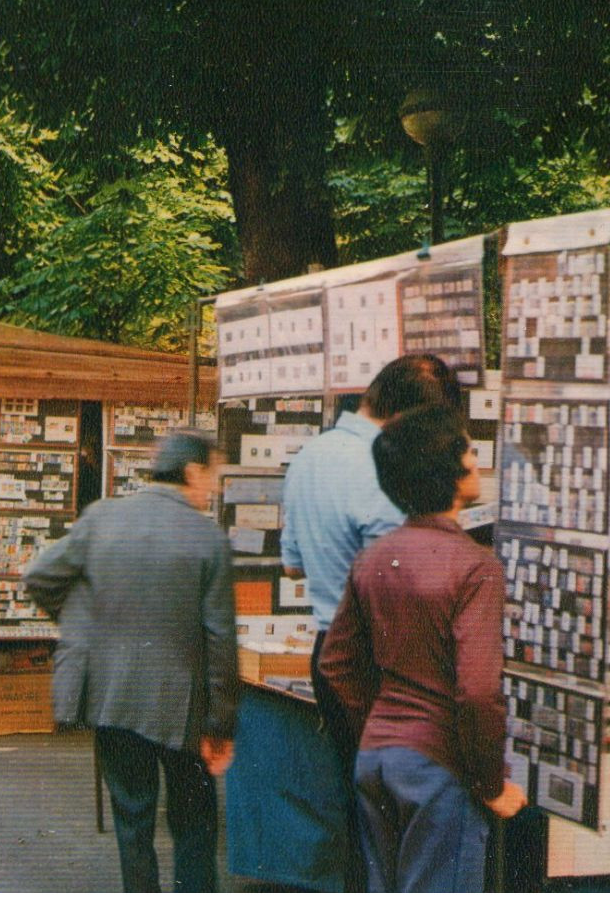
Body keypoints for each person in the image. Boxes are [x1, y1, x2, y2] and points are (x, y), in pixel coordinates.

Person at [318, 406, 526, 892]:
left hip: (378, 757)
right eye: (470, 451)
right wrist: (490, 785)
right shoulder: (476, 566)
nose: (477, 461)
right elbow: (477, 690)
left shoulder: (372, 556)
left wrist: (385, 725)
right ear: (452, 472)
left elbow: (336, 663)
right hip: (438, 767)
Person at [23, 431, 238, 893]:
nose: (214, 488)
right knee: (195, 824)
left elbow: (40, 575)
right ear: (193, 471)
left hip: (113, 697)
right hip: (184, 707)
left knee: (133, 821)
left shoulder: (102, 518)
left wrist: (81, 617)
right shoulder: (208, 539)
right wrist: (221, 723)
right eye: (214, 476)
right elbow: (220, 638)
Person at [279, 353, 462, 886]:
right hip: (383, 661)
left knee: (363, 810)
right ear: (405, 417)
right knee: (408, 821)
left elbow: (291, 561)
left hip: (329, 651)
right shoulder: (382, 472)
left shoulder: (311, 456)